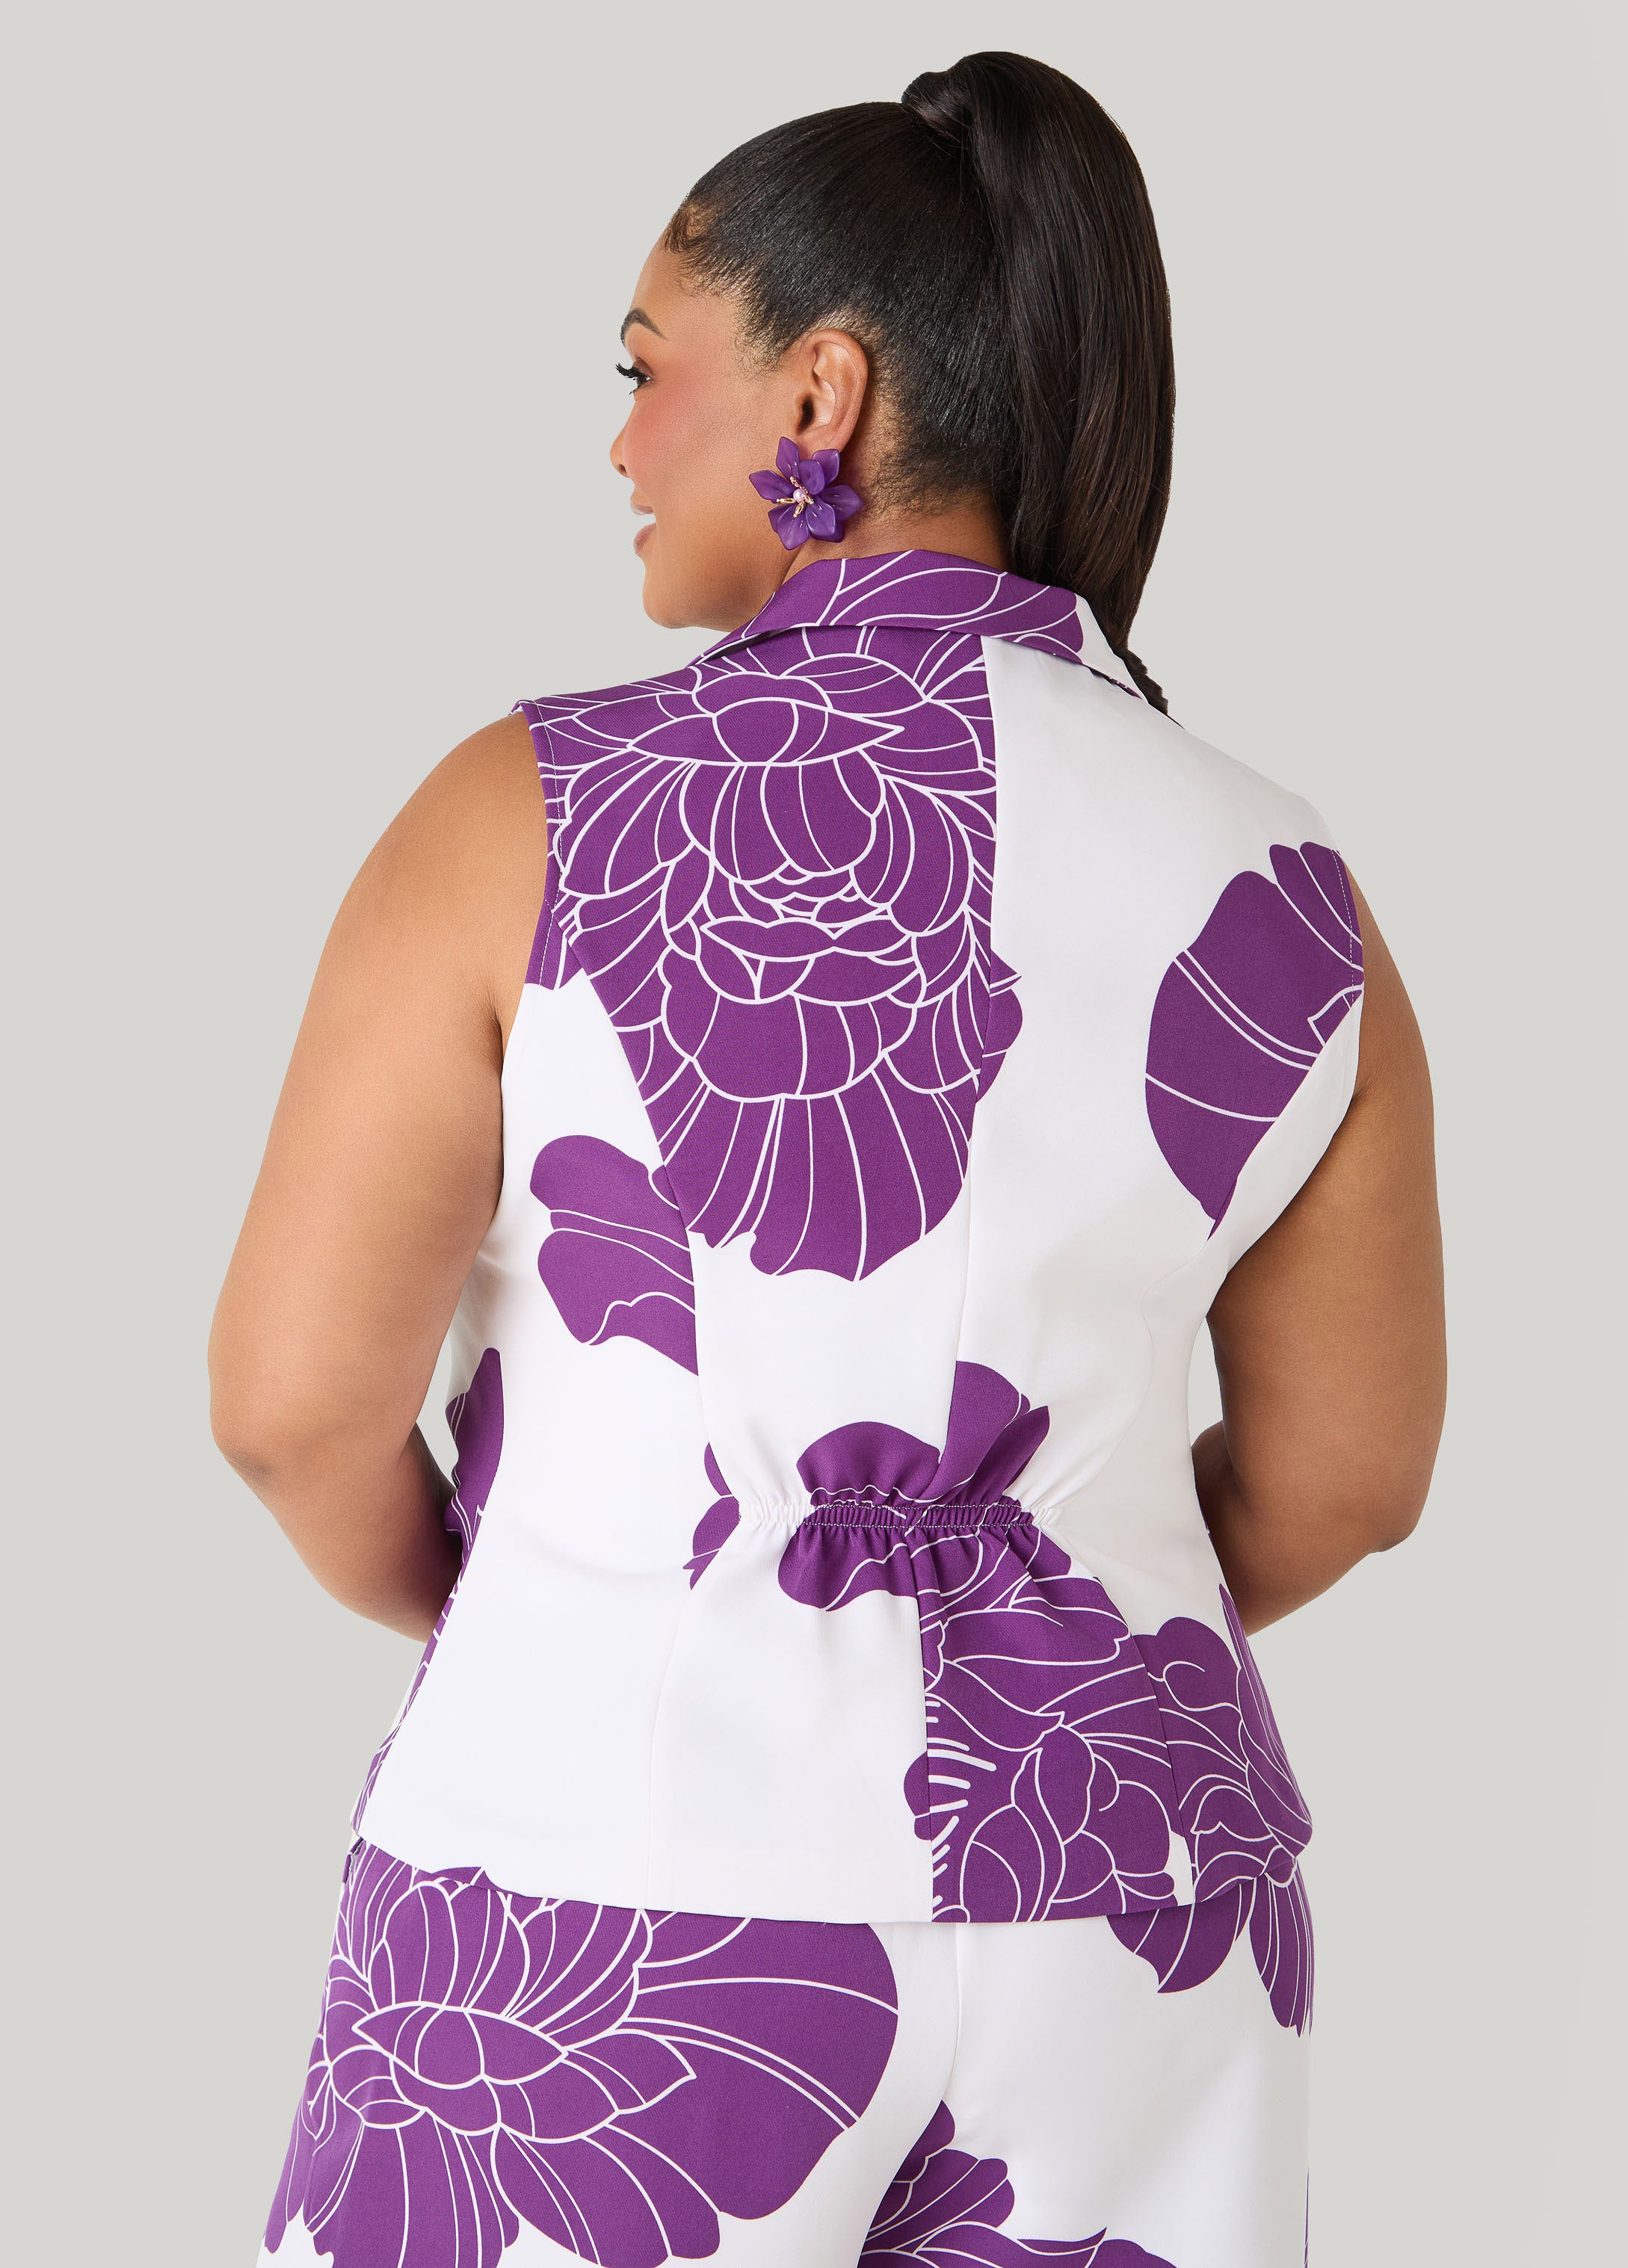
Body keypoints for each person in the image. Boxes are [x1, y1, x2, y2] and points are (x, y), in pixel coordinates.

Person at [212, 49, 1445, 2268]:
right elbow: (1348, 1477)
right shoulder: (1288, 882)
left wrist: (519, 1605)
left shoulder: (526, 814)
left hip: (607, 1893)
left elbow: (293, 1406)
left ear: (823, 393)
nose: (618, 443)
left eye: (643, 369)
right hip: (1137, 1923)